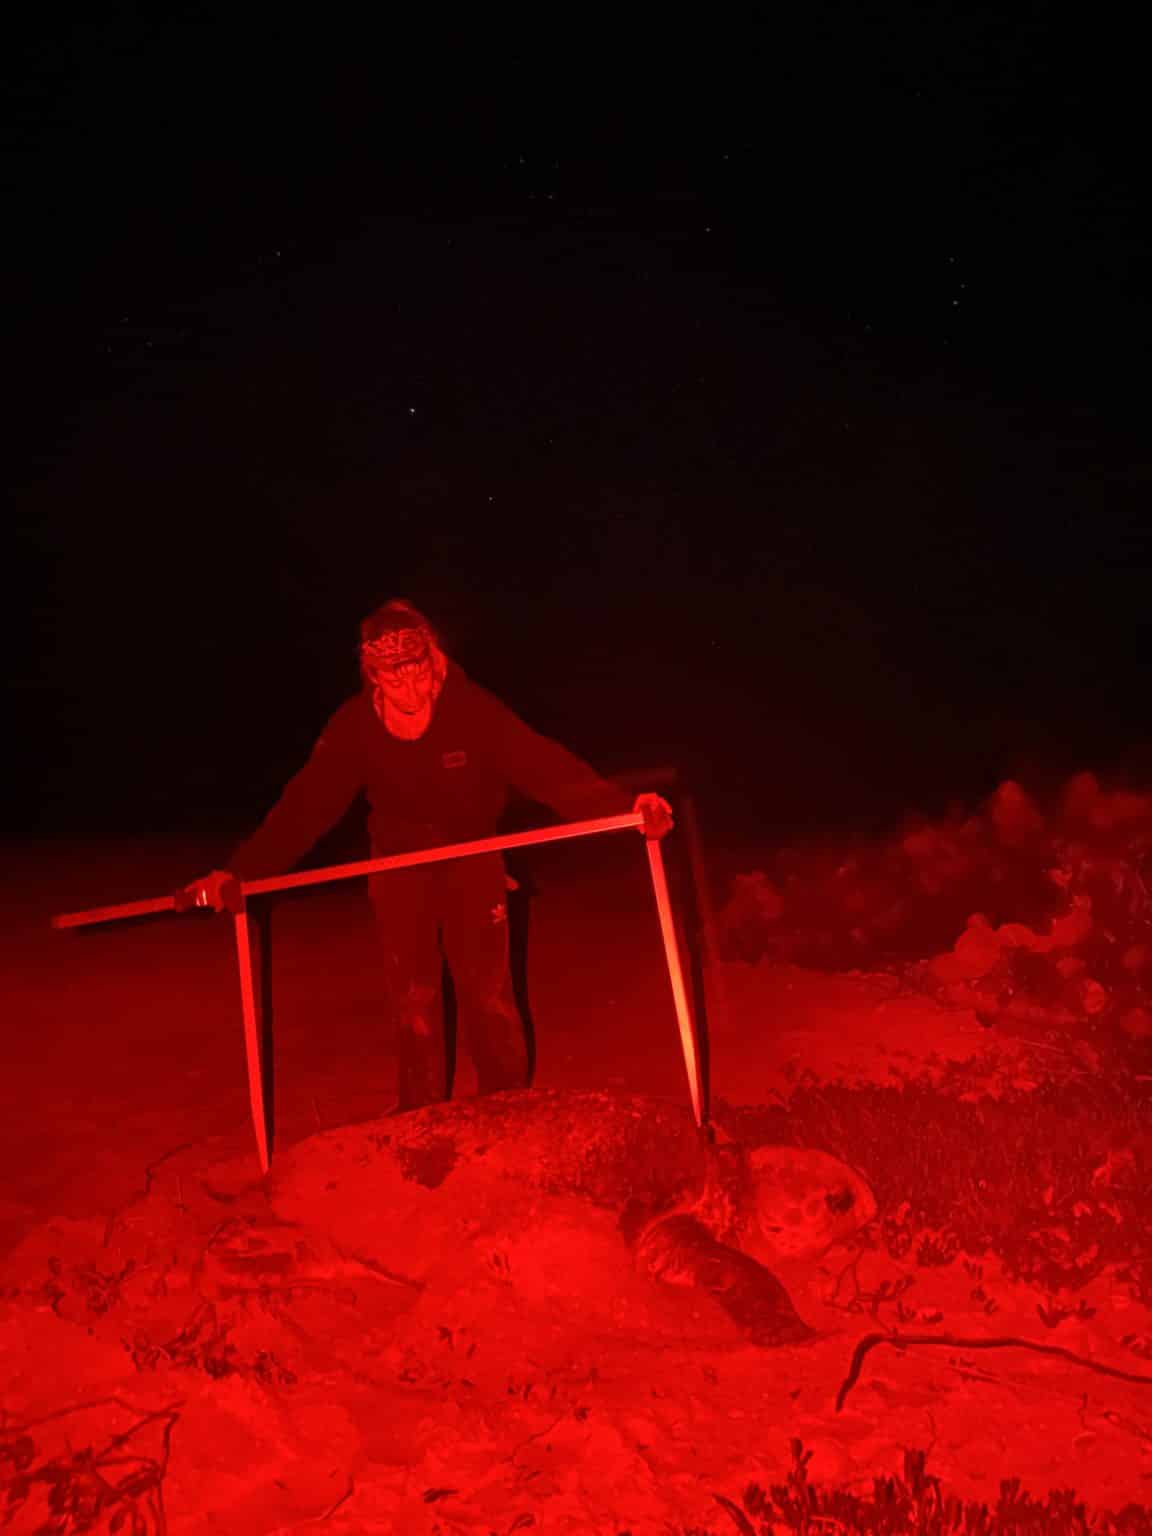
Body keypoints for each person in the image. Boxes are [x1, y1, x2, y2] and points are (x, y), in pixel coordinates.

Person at [187, 599, 673, 1111]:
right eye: (395, 681)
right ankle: (419, 1114)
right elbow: (306, 807)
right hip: (397, 865)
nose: (413, 692)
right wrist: (239, 871)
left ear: (434, 661)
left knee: (487, 992)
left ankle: (506, 1105)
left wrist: (625, 809)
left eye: (419, 675)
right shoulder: (355, 726)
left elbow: (544, 765)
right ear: (373, 677)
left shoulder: (470, 709)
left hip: (474, 854)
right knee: (414, 998)